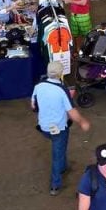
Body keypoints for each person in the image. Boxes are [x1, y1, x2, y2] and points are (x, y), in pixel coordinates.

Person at [32, 60, 91, 196]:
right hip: (59, 127)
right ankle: (55, 184)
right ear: (60, 74)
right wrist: (82, 122)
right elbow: (72, 112)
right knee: (57, 154)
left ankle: (63, 167)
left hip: (43, 126)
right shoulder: (61, 89)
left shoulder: (38, 86)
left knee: (60, 147)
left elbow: (33, 106)